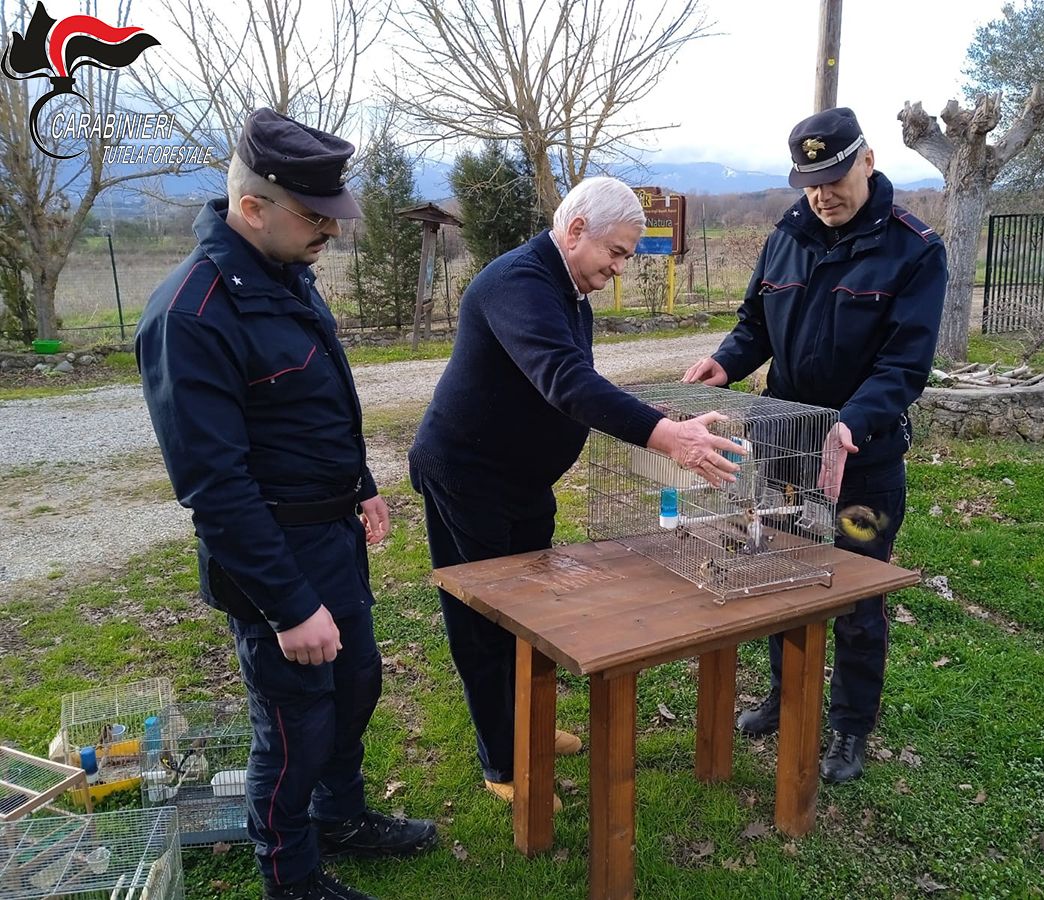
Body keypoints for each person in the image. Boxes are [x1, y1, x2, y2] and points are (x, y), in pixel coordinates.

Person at [136, 108, 437, 900]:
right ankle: (290, 874)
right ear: (252, 206)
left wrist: (360, 485)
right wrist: (289, 606)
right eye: (316, 216)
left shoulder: (283, 272)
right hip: (274, 555)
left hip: (330, 533)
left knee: (357, 683)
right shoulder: (191, 314)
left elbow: (313, 403)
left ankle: (341, 816)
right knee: (295, 720)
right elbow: (215, 489)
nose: (330, 232)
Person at [409, 176, 744, 808]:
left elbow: (576, 379)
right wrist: (664, 435)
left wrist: (648, 411)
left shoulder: (567, 290)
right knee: (484, 617)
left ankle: (526, 723)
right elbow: (563, 381)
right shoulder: (518, 284)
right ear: (576, 229)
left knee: (531, 611)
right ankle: (503, 760)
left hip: (521, 481)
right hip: (467, 478)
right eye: (615, 253)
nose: (618, 269)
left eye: (626, 258)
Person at [683, 107, 947, 783]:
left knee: (858, 595)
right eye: (810, 181)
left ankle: (850, 727)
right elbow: (754, 325)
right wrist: (726, 362)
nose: (823, 194)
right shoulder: (786, 238)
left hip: (863, 460)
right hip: (785, 452)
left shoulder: (914, 251)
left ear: (867, 160)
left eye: (834, 177)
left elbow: (903, 367)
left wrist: (851, 422)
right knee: (781, 575)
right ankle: (784, 693)